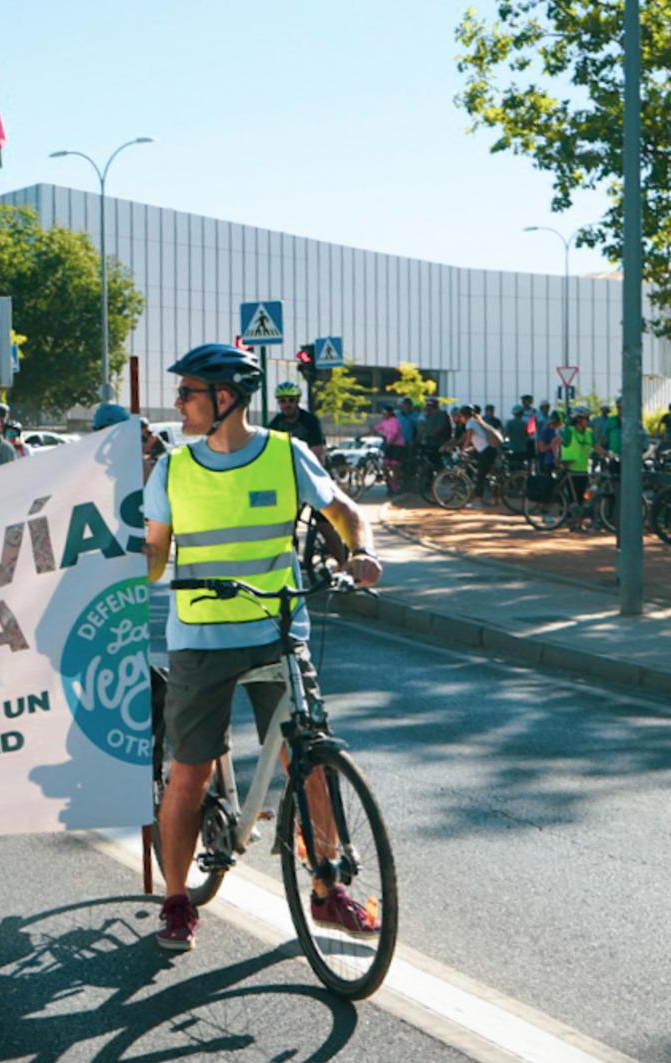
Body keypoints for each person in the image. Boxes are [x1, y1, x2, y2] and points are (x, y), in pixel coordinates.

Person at [139, 342, 382, 953]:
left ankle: (328, 889)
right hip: (200, 636)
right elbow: (155, 552)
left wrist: (361, 551)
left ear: (225, 399)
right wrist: (121, 570)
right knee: (190, 771)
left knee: (307, 760)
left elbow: (344, 510)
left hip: (276, 628)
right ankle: (175, 901)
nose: (178, 403)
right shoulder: (173, 467)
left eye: (188, 392)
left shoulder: (285, 453)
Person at [266, 382, 327, 463]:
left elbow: (317, 453)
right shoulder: (276, 423)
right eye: (282, 401)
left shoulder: (310, 421)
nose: (287, 404)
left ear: (297, 401)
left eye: (291, 400)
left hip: (309, 465)